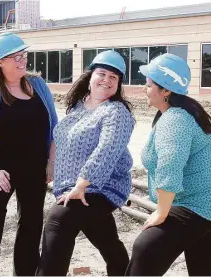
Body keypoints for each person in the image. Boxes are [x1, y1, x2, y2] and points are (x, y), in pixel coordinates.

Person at [125, 53, 211, 276]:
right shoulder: (177, 113)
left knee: (146, 248)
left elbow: (169, 167)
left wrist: (162, 212)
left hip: (200, 203)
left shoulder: (175, 120)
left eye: (148, 85)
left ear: (166, 91)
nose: (144, 89)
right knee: (204, 264)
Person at [36, 50, 135, 276]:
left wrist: (82, 185)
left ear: (118, 84)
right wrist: (52, 164)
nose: (107, 80)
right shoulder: (78, 107)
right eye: (102, 74)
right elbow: (61, 139)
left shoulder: (116, 111)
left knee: (58, 222)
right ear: (90, 76)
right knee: (107, 240)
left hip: (101, 188)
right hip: (73, 188)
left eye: (114, 77)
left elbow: (107, 150)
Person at [0, 32, 58, 276]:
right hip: (3, 165)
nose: (22, 61)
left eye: (24, 55)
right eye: (15, 57)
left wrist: (51, 162)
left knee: (31, 221)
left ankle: (25, 271)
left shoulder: (38, 84)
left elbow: (54, 125)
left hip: (36, 165)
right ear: (0, 62)